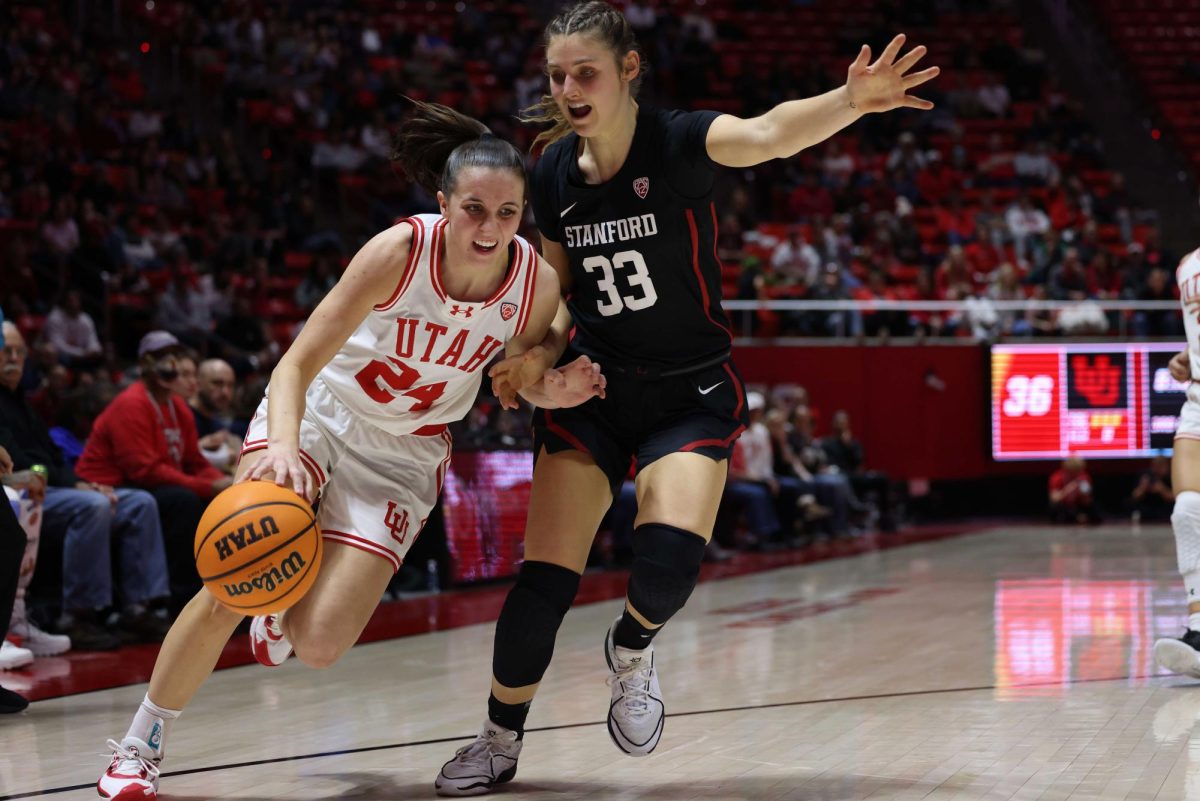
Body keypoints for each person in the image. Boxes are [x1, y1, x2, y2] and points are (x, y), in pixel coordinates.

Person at [434, 3, 938, 794]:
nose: (568, 88)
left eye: (585, 72)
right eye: (557, 74)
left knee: (667, 563)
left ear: (628, 69)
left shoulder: (676, 143)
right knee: (545, 582)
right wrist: (528, 353)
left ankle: (631, 647)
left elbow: (768, 133)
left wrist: (848, 101)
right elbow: (558, 288)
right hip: (594, 385)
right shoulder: (553, 171)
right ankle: (498, 738)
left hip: (689, 391)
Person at [97, 101, 605, 801]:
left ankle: (280, 608)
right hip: (322, 416)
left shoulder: (532, 285)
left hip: (404, 453)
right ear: (443, 203)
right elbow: (295, 364)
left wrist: (559, 387)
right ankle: (139, 747)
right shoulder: (398, 252)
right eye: (474, 209)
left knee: (321, 645)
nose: (490, 229)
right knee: (232, 577)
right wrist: (280, 445)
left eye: (508, 212)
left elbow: (516, 385)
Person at [1, 321, 171, 650]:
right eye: (5, 350)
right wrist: (77, 486)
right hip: (24, 491)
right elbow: (24, 466)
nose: (13, 357)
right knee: (92, 507)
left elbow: (53, 459)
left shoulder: (24, 401)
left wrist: (82, 482)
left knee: (139, 502)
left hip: (54, 486)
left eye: (19, 351)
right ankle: (78, 615)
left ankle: (140, 608)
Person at [75, 331, 231, 605]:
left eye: (174, 356)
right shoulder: (131, 403)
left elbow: (194, 461)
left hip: (146, 485)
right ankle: (179, 599)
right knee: (183, 501)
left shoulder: (177, 407)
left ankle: (220, 593)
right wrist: (209, 485)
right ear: (144, 364)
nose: (169, 363)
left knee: (218, 501)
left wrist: (227, 483)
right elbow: (145, 471)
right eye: (160, 357)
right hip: (108, 485)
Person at [1154, 247, 1200, 677]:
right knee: (1187, 510)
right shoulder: (1187, 265)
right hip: (1198, 401)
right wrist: (1185, 357)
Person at [1047, 456, 1100, 524]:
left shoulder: (1084, 477)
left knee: (1094, 507)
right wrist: (1070, 488)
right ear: (1066, 470)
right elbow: (1054, 499)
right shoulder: (1057, 477)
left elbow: (1087, 500)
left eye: (1078, 472)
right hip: (1063, 506)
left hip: (1077, 505)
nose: (1076, 475)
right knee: (1053, 506)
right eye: (1072, 473)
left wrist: (1084, 493)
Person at [1130, 454, 1174, 523]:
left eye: (1161, 466)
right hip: (1146, 514)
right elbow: (1134, 496)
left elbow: (1175, 498)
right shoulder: (1145, 476)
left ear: (1167, 467)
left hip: (1166, 514)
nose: (1158, 470)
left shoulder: (1172, 477)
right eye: (1156, 466)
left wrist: (1162, 490)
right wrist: (1143, 487)